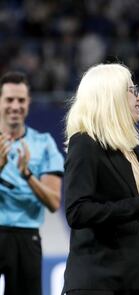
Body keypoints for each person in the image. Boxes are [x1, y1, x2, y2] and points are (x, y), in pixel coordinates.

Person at [62, 63, 139, 295]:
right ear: (110, 96)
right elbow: (77, 211)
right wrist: (138, 204)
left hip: (130, 280)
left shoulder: (125, 147)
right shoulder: (85, 144)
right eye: (133, 90)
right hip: (96, 282)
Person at [0, 71, 64, 295]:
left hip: (27, 238)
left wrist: (27, 174)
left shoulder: (44, 143)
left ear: (28, 103)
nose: (15, 106)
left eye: (21, 100)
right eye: (9, 99)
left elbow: (54, 202)